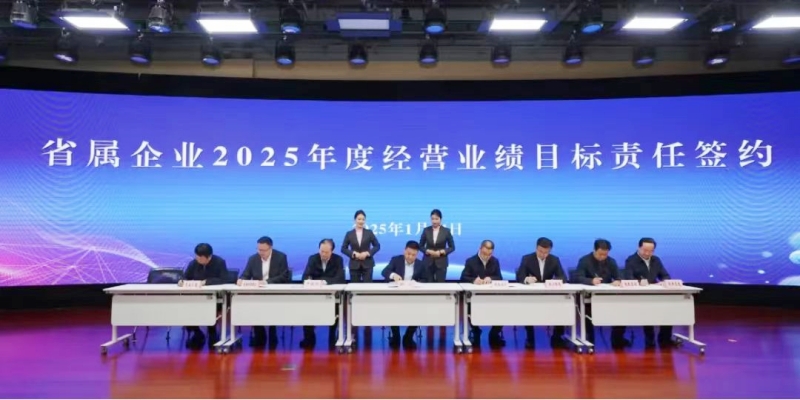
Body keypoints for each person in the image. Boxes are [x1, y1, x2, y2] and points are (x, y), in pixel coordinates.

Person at [575, 239, 630, 349]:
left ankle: (617, 338)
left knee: (622, 308)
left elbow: (619, 276)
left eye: (605, 254)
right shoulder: (584, 260)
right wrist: (591, 281)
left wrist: (618, 280)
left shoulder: (611, 261)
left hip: (607, 296)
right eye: (600, 254)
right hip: (589, 297)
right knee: (586, 311)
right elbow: (577, 277)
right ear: (594, 250)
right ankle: (589, 338)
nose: (602, 257)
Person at [515, 237, 568, 349]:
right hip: (532, 294)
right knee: (528, 307)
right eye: (540, 251)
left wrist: (554, 281)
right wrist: (526, 279)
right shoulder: (527, 258)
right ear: (536, 248)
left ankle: (557, 336)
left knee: (562, 305)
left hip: (549, 294)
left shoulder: (554, 260)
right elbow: (519, 276)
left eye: (546, 252)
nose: (543, 254)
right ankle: (530, 338)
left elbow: (563, 277)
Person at [239, 236, 291, 349]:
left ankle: (273, 334)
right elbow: (246, 274)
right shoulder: (253, 259)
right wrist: (241, 279)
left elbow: (284, 276)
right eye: (259, 249)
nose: (260, 252)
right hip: (257, 294)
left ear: (270, 248)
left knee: (271, 308)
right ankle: (260, 335)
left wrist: (267, 282)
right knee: (252, 306)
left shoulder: (281, 257)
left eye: (263, 250)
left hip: (275, 293)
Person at [625, 237, 674, 348]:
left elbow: (665, 275)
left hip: (655, 293)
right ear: (639, 248)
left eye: (651, 251)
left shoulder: (656, 260)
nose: (647, 253)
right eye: (645, 250)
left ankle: (665, 338)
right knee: (648, 312)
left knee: (669, 309)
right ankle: (650, 339)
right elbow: (628, 278)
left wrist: (664, 281)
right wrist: (639, 282)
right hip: (639, 295)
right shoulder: (631, 260)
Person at [381, 240, 429, 349]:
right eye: (408, 253)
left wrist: (416, 283)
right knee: (392, 309)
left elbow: (426, 279)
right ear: (404, 251)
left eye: (413, 255)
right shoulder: (396, 260)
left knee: (420, 310)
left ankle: (408, 336)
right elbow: (384, 272)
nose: (410, 257)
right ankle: (396, 336)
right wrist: (393, 275)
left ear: (417, 254)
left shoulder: (421, 264)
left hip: (414, 296)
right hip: (396, 295)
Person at [300, 238, 345, 348]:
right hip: (314, 294)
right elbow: (305, 276)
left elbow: (340, 278)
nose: (323, 254)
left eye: (326, 252)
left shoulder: (338, 259)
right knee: (306, 310)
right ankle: (309, 338)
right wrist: (311, 281)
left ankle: (333, 336)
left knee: (336, 309)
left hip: (332, 295)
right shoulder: (313, 258)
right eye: (321, 251)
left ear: (332, 251)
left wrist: (324, 282)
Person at [181, 243, 228, 350]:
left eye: (200, 258)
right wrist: (182, 281)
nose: (198, 259)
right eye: (197, 256)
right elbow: (185, 277)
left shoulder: (219, 262)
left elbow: (224, 279)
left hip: (215, 298)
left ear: (209, 257)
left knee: (209, 308)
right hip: (195, 297)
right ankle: (197, 332)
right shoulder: (194, 263)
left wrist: (206, 282)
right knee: (185, 308)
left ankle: (212, 332)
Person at [461, 240, 505, 347]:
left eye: (489, 254)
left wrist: (491, 278)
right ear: (480, 249)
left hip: (491, 296)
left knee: (503, 308)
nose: (486, 257)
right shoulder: (470, 261)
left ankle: (494, 333)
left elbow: (499, 277)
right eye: (484, 254)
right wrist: (473, 280)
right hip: (474, 296)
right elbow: (463, 277)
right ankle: (475, 330)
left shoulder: (495, 261)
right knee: (468, 308)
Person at [341, 210, 381, 283]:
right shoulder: (349, 234)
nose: (361, 221)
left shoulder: (369, 233)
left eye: (363, 219)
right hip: (354, 265)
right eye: (359, 219)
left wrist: (367, 253)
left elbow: (377, 246)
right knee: (355, 287)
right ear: (354, 220)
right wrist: (353, 253)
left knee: (367, 287)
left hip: (368, 264)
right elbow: (343, 248)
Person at [419, 209, 456, 283]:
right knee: (428, 284)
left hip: (441, 262)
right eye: (432, 219)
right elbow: (420, 246)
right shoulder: (426, 230)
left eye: (436, 219)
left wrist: (442, 251)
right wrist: (427, 251)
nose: (434, 221)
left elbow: (452, 247)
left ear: (440, 219)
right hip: (428, 262)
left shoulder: (446, 231)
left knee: (440, 284)